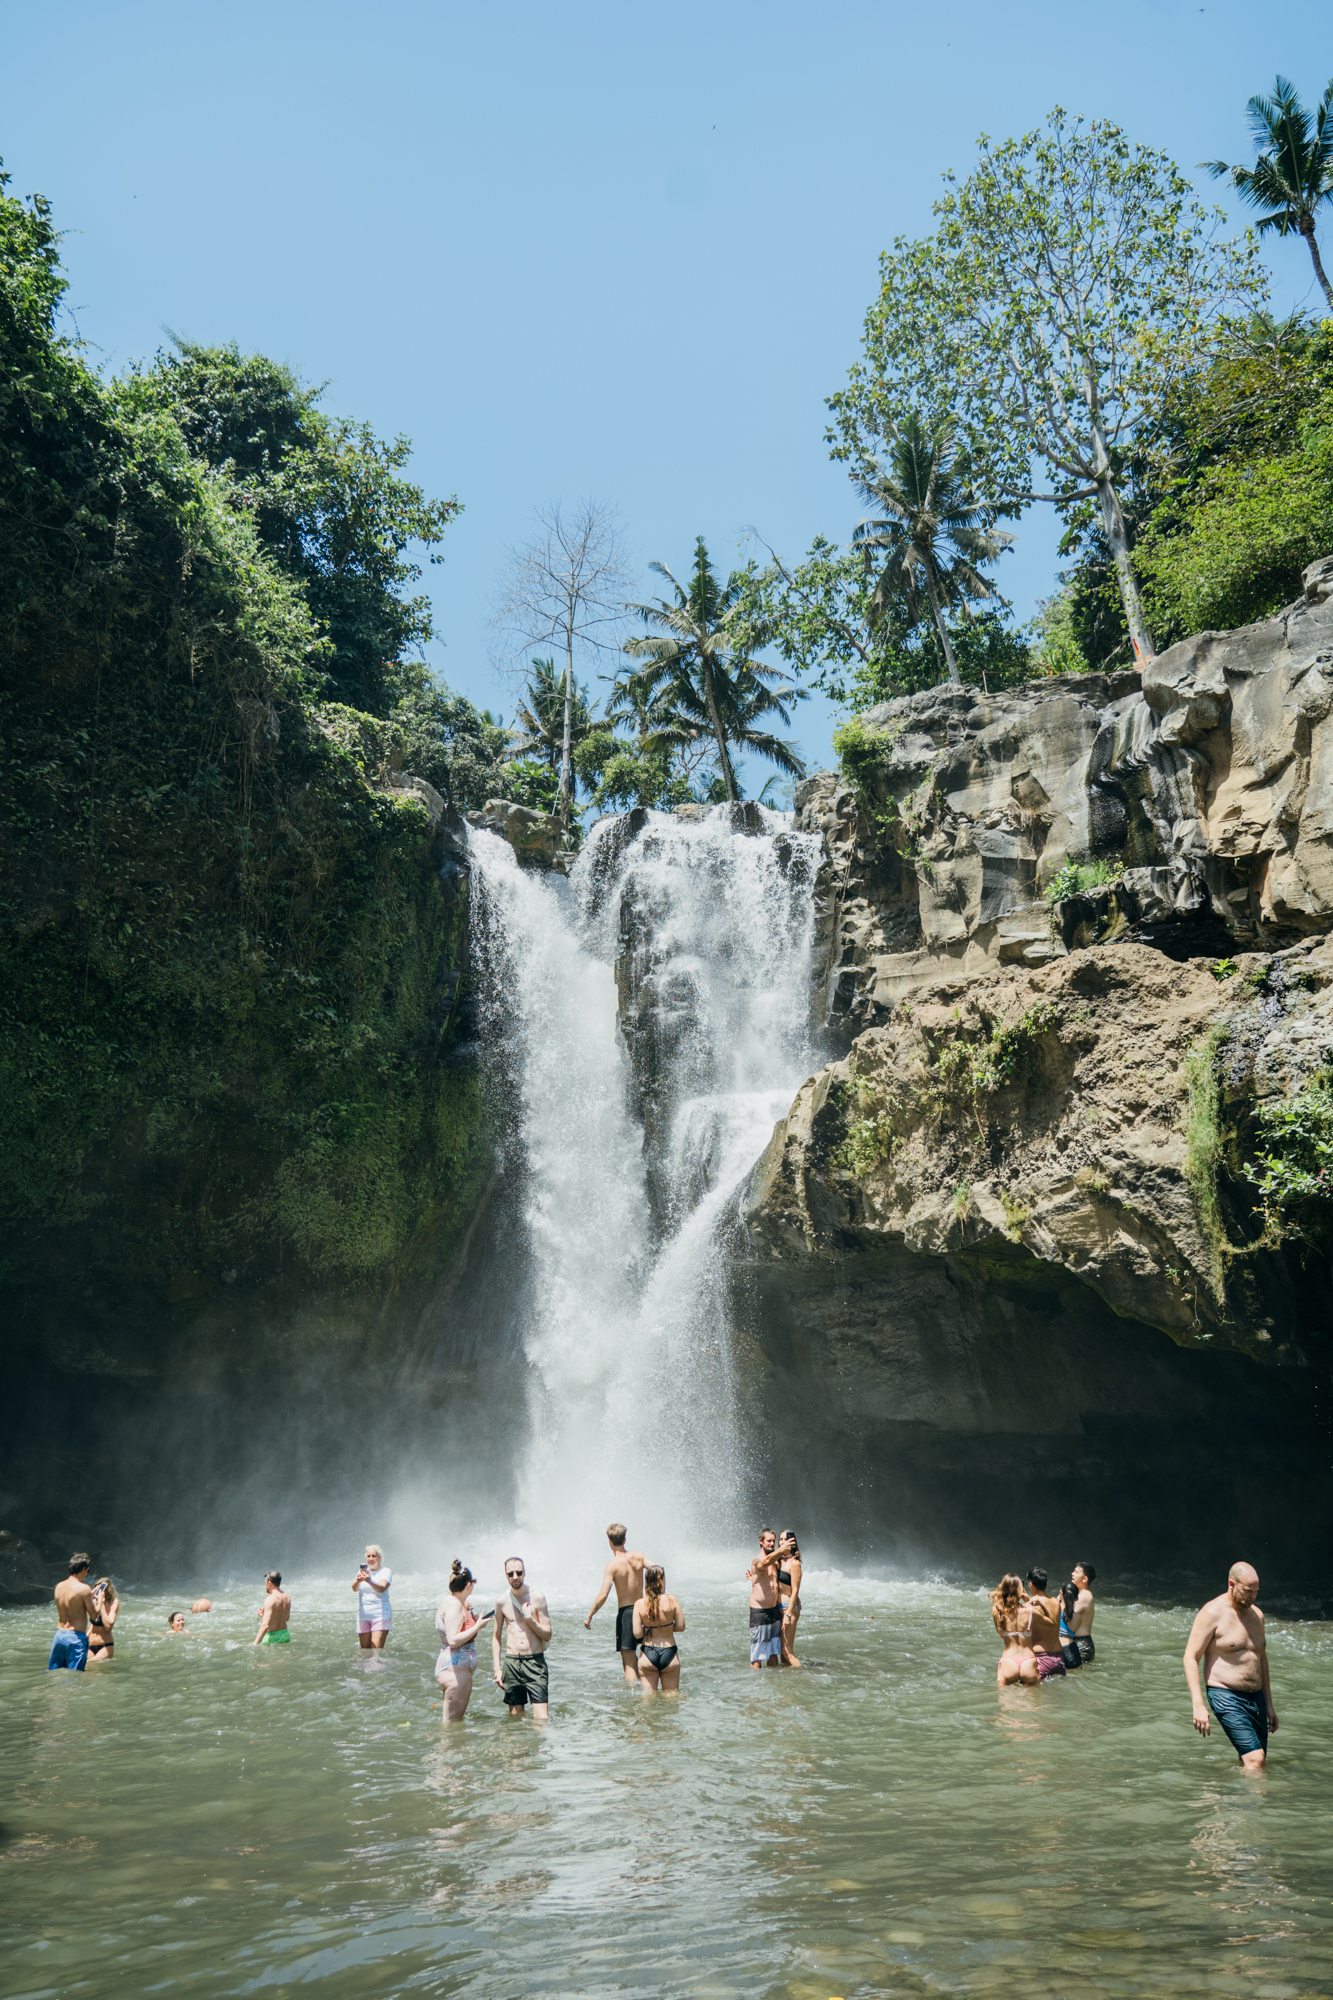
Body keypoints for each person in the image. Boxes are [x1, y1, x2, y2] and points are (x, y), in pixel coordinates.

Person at [1183, 1561, 1278, 1773]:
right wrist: (1198, 1704)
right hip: (1225, 1694)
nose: (1252, 1596)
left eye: (1256, 1592)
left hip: (1256, 1698)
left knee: (1252, 1761)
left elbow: (1262, 1659)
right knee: (1256, 1760)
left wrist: (1269, 1704)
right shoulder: (1212, 1613)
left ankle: (1233, 1803)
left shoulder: (1258, 1616)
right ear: (1231, 1584)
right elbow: (1190, 1657)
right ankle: (1259, 1803)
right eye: (1247, 1591)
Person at [584, 1523, 646, 1683]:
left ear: (609, 1542)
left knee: (629, 1663)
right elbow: (658, 1570)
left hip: (627, 1614)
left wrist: (590, 1615)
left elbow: (603, 1595)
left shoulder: (612, 1566)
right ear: (625, 1540)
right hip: (645, 1609)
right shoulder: (639, 1557)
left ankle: (632, 1703)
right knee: (646, 1657)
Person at [492, 1556, 551, 1720]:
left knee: (541, 1719)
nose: (515, 1577)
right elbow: (496, 1637)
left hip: (535, 1662)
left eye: (519, 1572)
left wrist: (530, 1620)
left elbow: (548, 1634)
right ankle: (520, 1747)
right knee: (515, 1720)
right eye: (511, 1574)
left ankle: (537, 1746)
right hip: (512, 1664)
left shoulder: (537, 1597)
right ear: (506, 1575)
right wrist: (497, 1669)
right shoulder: (501, 1602)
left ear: (524, 1573)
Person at [435, 1559, 492, 1722]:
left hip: (452, 1669)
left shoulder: (453, 1601)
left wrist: (471, 1617)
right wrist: (477, 1627)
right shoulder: (454, 1605)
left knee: (451, 1725)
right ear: (468, 1585)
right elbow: (453, 1640)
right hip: (456, 1674)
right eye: (473, 1583)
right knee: (452, 1727)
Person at [632, 1564, 684, 1694]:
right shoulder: (672, 1600)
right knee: (672, 1697)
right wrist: (666, 1628)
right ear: (661, 1580)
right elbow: (681, 1626)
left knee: (648, 1700)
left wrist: (650, 1629)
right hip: (669, 1653)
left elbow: (637, 1634)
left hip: (648, 1653)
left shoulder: (639, 1604)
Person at [746, 1529, 794, 1669]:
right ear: (760, 1541)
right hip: (760, 1612)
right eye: (769, 1541)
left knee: (774, 1653)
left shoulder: (775, 1561)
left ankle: (772, 1684)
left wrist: (794, 1597)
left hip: (774, 1610)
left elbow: (783, 1581)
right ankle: (757, 1687)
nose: (772, 1543)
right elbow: (764, 1562)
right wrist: (781, 1550)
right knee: (757, 1656)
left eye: (774, 1541)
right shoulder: (758, 1559)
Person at [991, 1574, 1041, 1686]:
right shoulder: (1030, 1610)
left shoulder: (997, 1610)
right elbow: (1050, 1621)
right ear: (1020, 1590)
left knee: (1007, 1702)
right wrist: (1027, 1599)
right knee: (1032, 1702)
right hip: (1028, 1660)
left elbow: (1000, 1634)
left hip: (1009, 1660)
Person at [49, 1554, 96, 1671]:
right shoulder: (84, 1589)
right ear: (83, 1569)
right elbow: (94, 1616)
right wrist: (98, 1600)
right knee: (76, 1678)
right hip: (75, 1637)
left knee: (55, 1675)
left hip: (59, 1636)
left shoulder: (59, 1586)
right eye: (88, 1570)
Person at [353, 1544, 392, 1650]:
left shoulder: (385, 1571)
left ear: (379, 1557)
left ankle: (379, 1666)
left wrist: (369, 1580)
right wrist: (358, 1580)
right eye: (368, 1556)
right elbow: (354, 1588)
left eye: (373, 1556)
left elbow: (381, 1588)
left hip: (380, 1615)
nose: (371, 1559)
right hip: (363, 1615)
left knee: (376, 1652)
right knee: (365, 1652)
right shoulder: (362, 1572)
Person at [1025, 1568, 1063, 1660]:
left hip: (1040, 1656)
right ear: (1046, 1584)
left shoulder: (1028, 1607)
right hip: (1058, 1656)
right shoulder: (1056, 1602)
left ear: (1031, 1585)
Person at [778, 1529, 803, 1668]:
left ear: (792, 1542)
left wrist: (788, 1614)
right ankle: (787, 1681)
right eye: (780, 1539)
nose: (782, 1542)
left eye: (785, 1539)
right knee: (782, 1655)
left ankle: (800, 1676)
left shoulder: (794, 1563)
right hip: (778, 1607)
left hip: (788, 1608)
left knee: (787, 1653)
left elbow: (795, 1591)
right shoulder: (779, 1560)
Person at [1068, 1562, 1096, 1663]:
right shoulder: (1080, 1594)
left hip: (1081, 1645)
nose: (1072, 1573)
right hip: (1079, 1642)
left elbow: (1065, 1614)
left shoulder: (1084, 1596)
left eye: (1076, 1572)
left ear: (1085, 1579)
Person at [254, 1571, 291, 1645]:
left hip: (271, 1638)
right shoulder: (287, 1597)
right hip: (285, 1635)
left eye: (265, 1583)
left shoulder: (269, 1599)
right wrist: (263, 1615)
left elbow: (265, 1625)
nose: (265, 1586)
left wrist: (254, 1643)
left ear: (269, 1583)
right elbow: (286, 1618)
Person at [87, 1578, 119, 1660]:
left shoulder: (113, 1603)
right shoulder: (93, 1601)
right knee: (84, 1666)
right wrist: (84, 1637)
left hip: (105, 1646)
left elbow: (109, 1626)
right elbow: (93, 1623)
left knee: (90, 1663)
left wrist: (102, 1604)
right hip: (89, 1644)